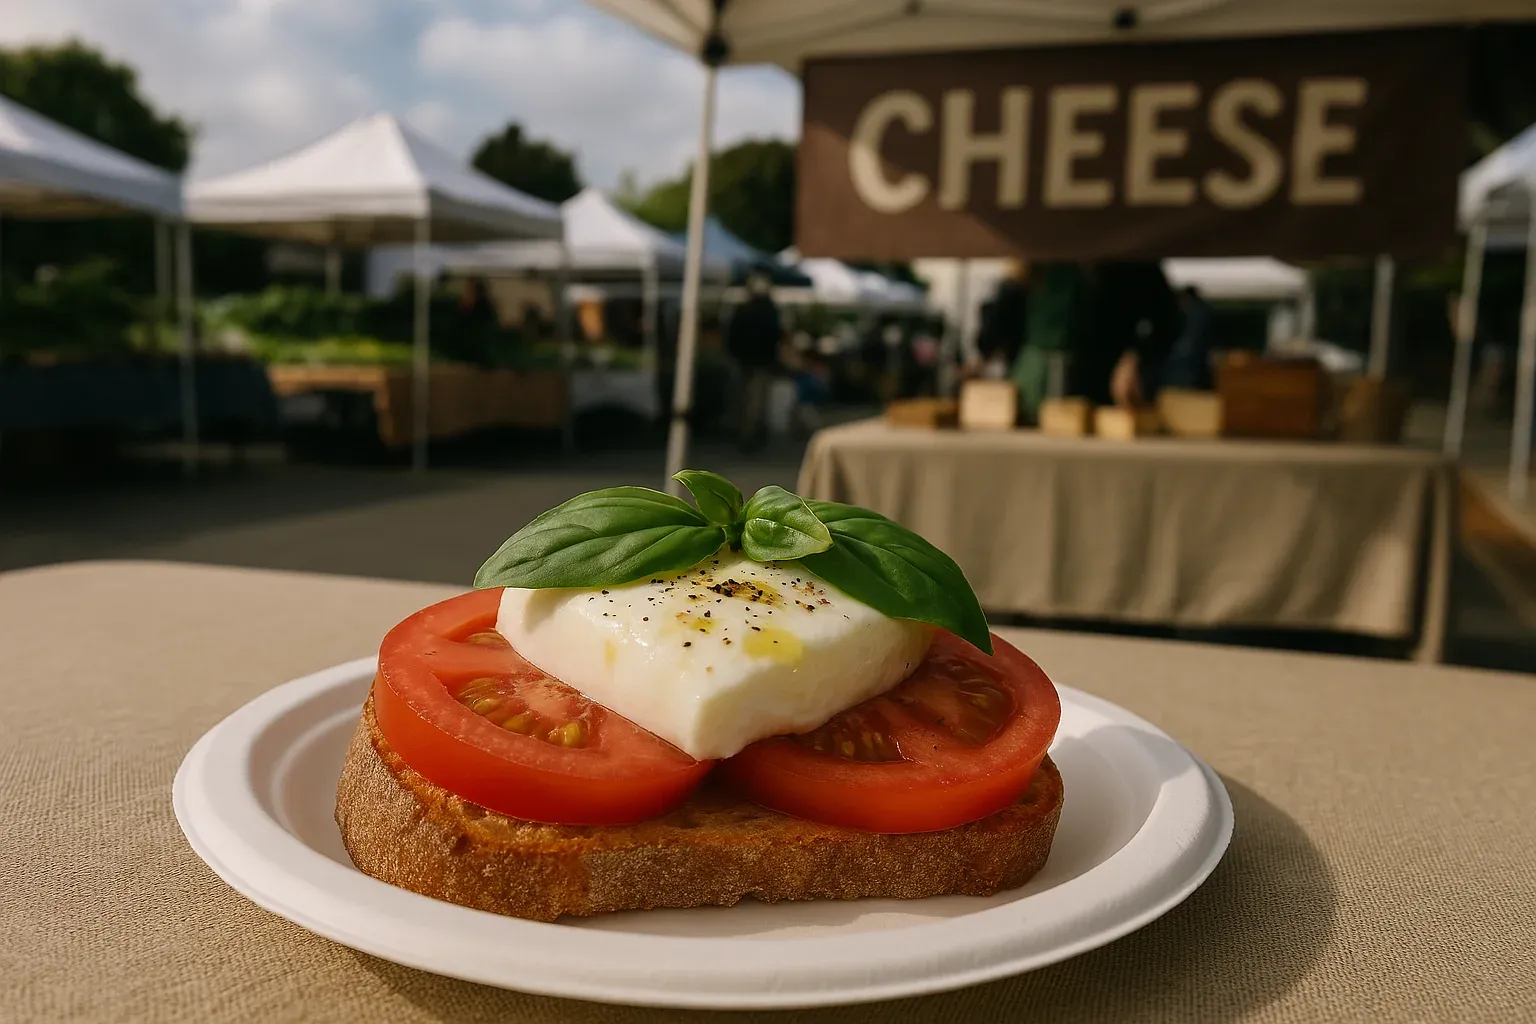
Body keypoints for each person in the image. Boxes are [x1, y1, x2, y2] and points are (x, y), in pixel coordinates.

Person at [726, 271, 783, 452]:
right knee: (756, 401)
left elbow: (732, 336)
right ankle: (751, 434)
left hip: (745, 361)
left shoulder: (743, 310)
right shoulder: (769, 311)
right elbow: (775, 336)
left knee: (743, 399)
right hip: (761, 362)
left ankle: (745, 433)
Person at [1159, 286, 1215, 391]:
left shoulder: (1194, 316)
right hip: (1194, 368)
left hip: (1188, 370)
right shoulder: (1201, 313)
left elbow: (1190, 344)